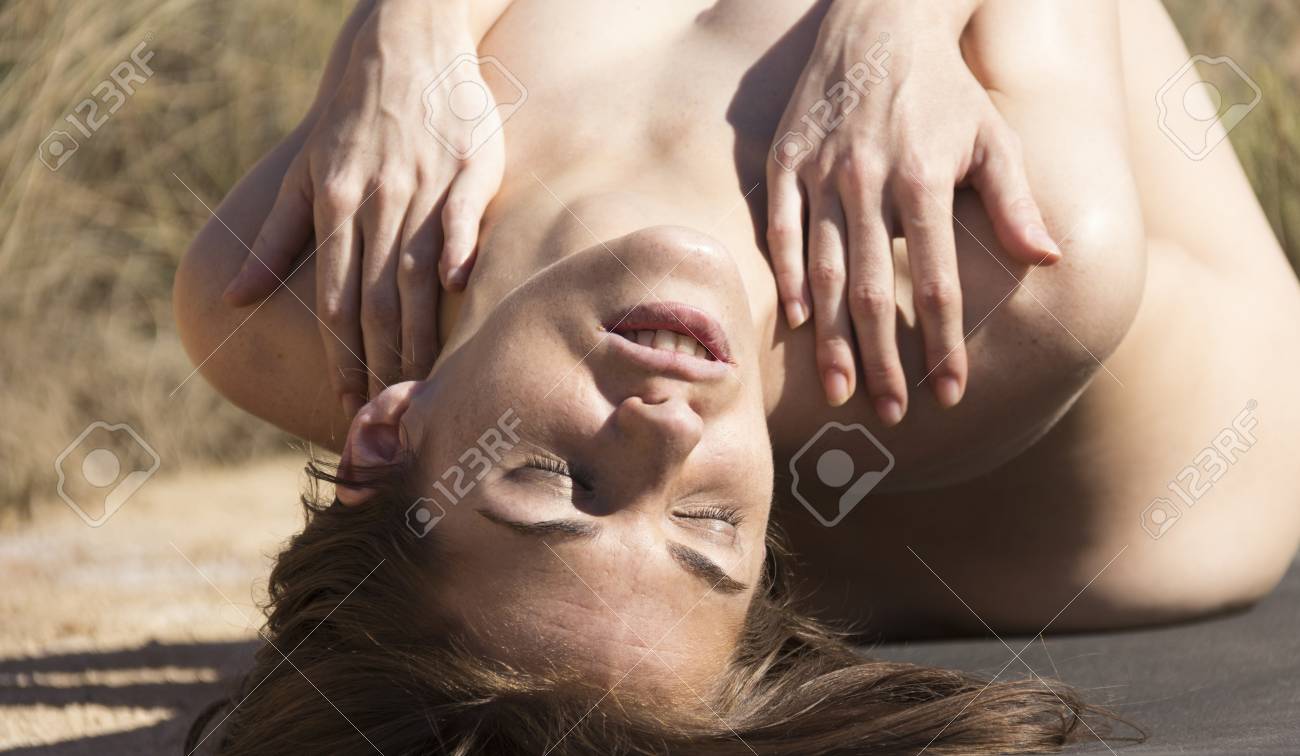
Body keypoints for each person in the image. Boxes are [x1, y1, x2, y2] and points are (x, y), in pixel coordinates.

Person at [175, 0, 1300, 752]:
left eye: (558, 481)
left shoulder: (278, 289)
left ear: (386, 438)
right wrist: (899, 24)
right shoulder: (1012, 273)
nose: (669, 432)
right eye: (712, 521)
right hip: (1201, 493)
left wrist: (403, 33)